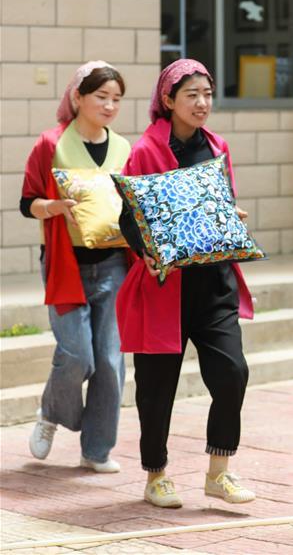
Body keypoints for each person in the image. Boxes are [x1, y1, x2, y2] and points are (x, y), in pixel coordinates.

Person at [116, 59, 256, 508]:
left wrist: (231, 219)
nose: (202, 103)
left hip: (214, 284)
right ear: (168, 100)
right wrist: (154, 256)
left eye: (208, 94)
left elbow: (222, 205)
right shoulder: (145, 151)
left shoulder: (217, 147)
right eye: (192, 94)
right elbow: (128, 219)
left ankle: (219, 471)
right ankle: (156, 475)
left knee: (233, 373)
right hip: (164, 289)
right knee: (156, 389)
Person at [20, 61, 130, 473]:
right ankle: (52, 412)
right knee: (77, 355)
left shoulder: (124, 148)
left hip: (115, 265)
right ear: (77, 97)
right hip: (66, 265)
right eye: (101, 97)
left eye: (116, 99)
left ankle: (97, 450)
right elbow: (26, 201)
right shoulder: (51, 144)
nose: (109, 105)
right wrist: (51, 207)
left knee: (110, 361)